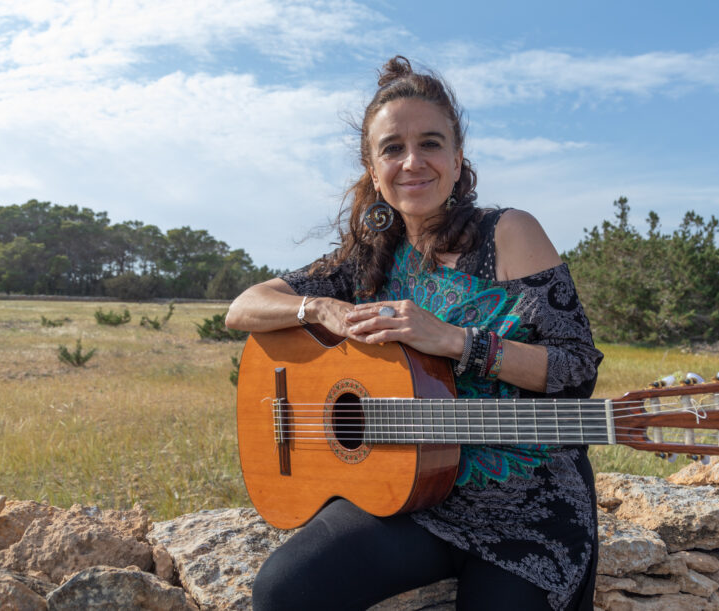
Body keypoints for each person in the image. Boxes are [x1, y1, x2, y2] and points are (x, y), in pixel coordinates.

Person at [226, 56, 603, 610]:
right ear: (373, 170)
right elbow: (244, 307)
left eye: (429, 143)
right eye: (392, 149)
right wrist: (321, 309)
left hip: (529, 507)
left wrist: (457, 341)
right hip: (411, 497)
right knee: (285, 589)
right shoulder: (369, 258)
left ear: (456, 159)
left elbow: (576, 371)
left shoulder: (509, 234)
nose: (412, 162)